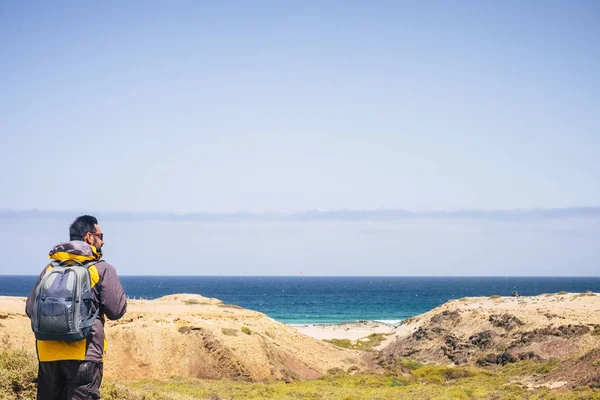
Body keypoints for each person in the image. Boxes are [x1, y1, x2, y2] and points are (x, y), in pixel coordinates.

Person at [26, 215, 127, 400]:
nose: (103, 241)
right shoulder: (100, 268)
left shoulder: (50, 269)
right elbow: (116, 311)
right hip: (84, 354)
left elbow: (30, 308)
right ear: (89, 237)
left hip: (48, 355)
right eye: (101, 235)